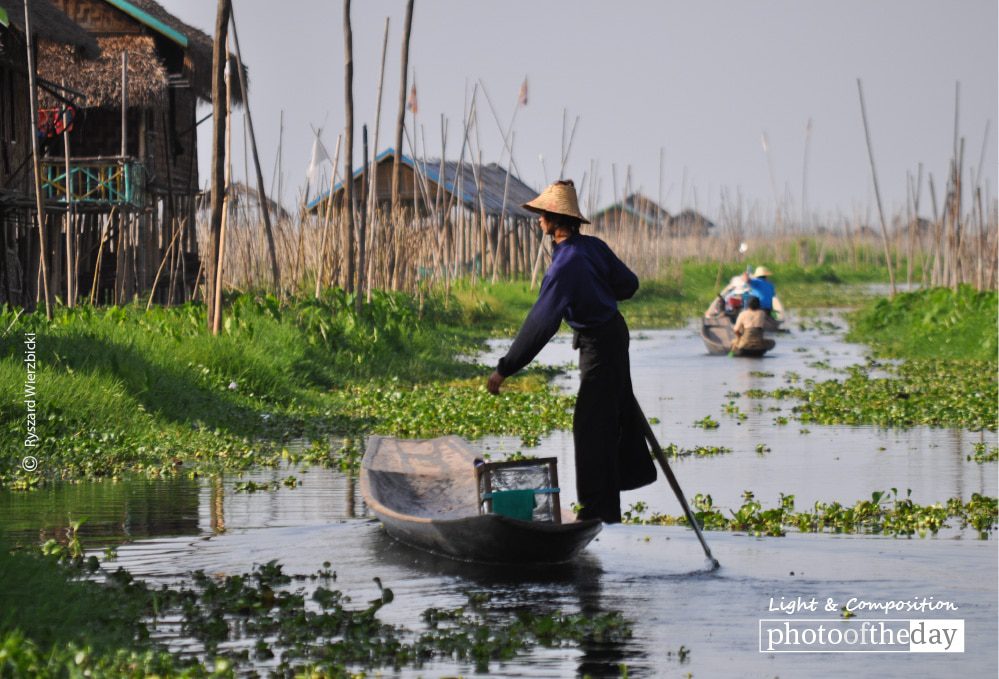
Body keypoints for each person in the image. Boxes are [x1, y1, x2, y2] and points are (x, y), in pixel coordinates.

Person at [486, 179, 656, 523]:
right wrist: (597, 289)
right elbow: (628, 284)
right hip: (613, 336)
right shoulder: (591, 248)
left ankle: (596, 511)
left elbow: (540, 324)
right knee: (609, 418)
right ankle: (606, 508)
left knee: (590, 425)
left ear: (552, 219)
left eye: (541, 215)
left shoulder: (567, 264)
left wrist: (505, 368)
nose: (537, 220)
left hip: (600, 344)